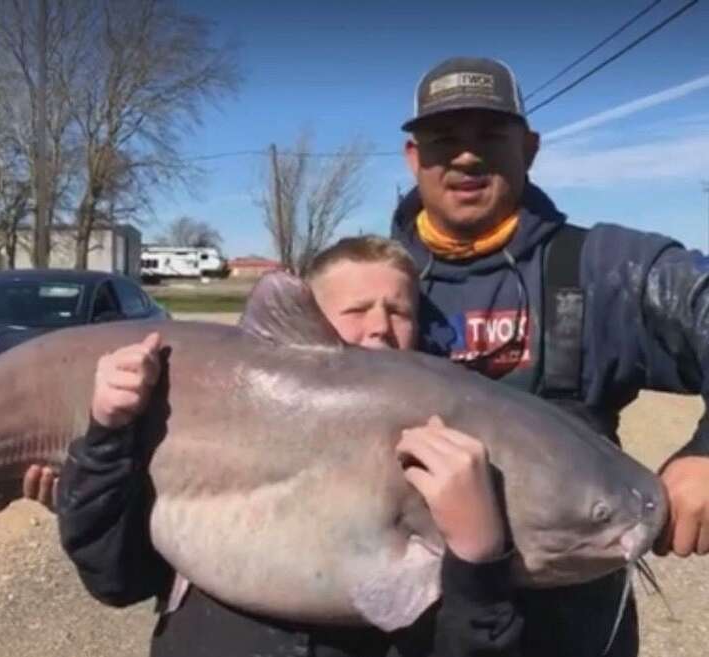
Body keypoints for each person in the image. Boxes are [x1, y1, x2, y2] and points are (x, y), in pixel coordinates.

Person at [44, 236, 524, 657]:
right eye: (356, 310)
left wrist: (477, 561)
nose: (379, 326)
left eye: (398, 311)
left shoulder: (441, 458)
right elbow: (115, 579)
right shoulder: (202, 419)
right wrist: (106, 439)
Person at [390, 56, 709, 656]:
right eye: (443, 140)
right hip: (414, 617)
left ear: (530, 148)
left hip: (571, 624)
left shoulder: (608, 268)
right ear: (414, 158)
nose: (465, 156)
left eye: (490, 136)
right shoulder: (371, 286)